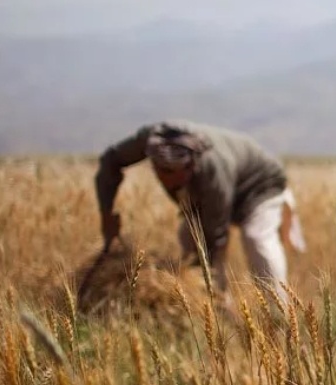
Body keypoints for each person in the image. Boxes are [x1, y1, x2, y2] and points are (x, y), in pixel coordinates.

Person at [94, 120, 306, 305]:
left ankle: (279, 312)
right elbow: (109, 162)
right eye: (162, 170)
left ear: (191, 164)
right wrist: (106, 215)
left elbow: (215, 238)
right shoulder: (149, 139)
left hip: (261, 186)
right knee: (188, 238)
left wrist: (204, 279)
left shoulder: (214, 170)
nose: (168, 179)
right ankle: (219, 311)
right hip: (213, 190)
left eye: (176, 172)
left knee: (256, 237)